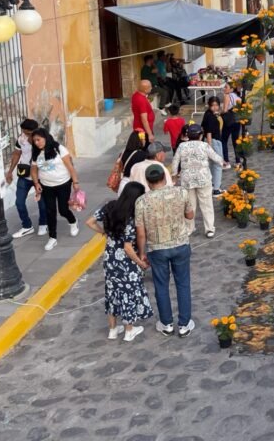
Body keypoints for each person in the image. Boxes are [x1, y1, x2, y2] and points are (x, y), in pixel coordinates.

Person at [86, 182, 152, 342]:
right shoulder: (131, 217)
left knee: (112, 292)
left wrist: (104, 232)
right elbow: (128, 248)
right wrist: (140, 262)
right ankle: (129, 330)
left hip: (110, 258)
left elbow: (90, 222)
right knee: (128, 292)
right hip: (126, 262)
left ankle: (113, 330)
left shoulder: (109, 207)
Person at [135, 164, 196, 338]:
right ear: (164, 176)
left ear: (148, 181)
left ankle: (166, 323)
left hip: (157, 248)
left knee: (161, 286)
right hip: (180, 244)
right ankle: (184, 324)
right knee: (183, 284)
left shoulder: (141, 202)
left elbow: (141, 233)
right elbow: (190, 215)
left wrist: (141, 253)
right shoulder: (181, 192)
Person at [172, 123, 227, 238]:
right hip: (203, 179)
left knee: (189, 205)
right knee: (206, 205)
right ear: (201, 135)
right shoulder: (204, 145)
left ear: (188, 135)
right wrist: (223, 162)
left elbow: (175, 161)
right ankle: (209, 229)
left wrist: (174, 175)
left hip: (187, 180)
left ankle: (189, 228)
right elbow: (215, 156)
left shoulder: (182, 146)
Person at [30, 128, 80, 251]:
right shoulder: (36, 153)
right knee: (50, 211)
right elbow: (34, 170)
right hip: (46, 186)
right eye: (34, 141)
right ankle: (52, 238)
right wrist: (36, 183)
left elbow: (70, 167)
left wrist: (75, 182)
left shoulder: (59, 149)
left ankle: (73, 221)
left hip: (63, 184)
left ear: (45, 137)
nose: (37, 143)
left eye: (38, 139)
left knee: (63, 210)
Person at [5, 119, 47, 239]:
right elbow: (16, 154)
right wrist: (10, 171)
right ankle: (27, 226)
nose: (26, 135)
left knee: (42, 202)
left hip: (40, 176)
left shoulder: (42, 139)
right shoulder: (21, 139)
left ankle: (43, 224)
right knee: (19, 202)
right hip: (25, 175)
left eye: (29, 133)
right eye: (24, 132)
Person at [200, 97, 226, 194]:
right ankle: (216, 189)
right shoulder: (210, 117)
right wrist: (210, 147)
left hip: (212, 141)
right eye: (213, 105)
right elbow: (209, 133)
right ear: (209, 105)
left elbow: (203, 128)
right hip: (214, 142)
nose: (215, 107)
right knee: (218, 164)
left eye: (216, 105)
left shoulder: (208, 114)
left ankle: (212, 185)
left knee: (212, 165)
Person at [220, 83, 241, 166]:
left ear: (231, 89)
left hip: (229, 121)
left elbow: (225, 110)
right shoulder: (237, 96)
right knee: (236, 141)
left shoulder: (227, 96)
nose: (224, 88)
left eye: (226, 87)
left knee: (224, 140)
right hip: (237, 120)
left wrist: (219, 113)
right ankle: (238, 161)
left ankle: (226, 161)